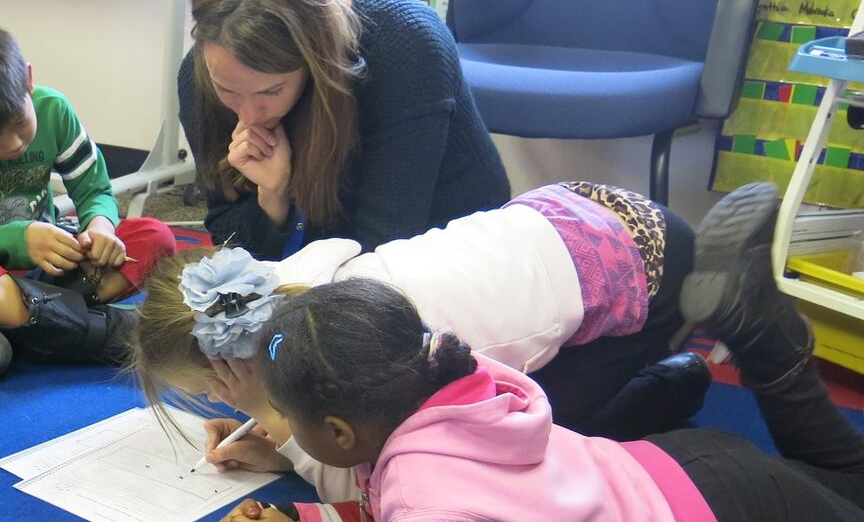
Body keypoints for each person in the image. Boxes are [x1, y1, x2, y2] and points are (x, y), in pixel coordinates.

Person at [210, 183, 864, 522]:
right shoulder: (448, 382)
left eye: (289, 418)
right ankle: (763, 335)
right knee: (848, 484)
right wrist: (298, 519)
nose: (281, 427)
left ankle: (765, 336)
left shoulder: (426, 489)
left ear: (339, 433)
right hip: (684, 477)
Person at [133, 181, 711, 451]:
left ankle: (673, 378)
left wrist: (267, 413)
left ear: (230, 365)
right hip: (579, 206)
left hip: (648, 269)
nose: (222, 402)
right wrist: (276, 428)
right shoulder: (298, 279)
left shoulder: (351, 349)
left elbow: (373, 469)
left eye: (213, 392)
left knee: (536, 447)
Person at [178, 0, 509, 258]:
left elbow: (383, 248)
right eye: (227, 90)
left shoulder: (407, 47)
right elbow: (232, 244)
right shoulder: (198, 77)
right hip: (333, 243)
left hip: (448, 241)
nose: (249, 116)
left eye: (272, 91)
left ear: (315, 58)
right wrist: (272, 199)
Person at [0, 18, 178, 381]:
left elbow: (94, 190)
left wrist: (101, 228)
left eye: (19, 122)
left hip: (49, 269)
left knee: (156, 237)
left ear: (28, 80)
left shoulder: (54, 109)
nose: (13, 144)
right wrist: (21, 239)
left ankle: (15, 322)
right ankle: (94, 331)